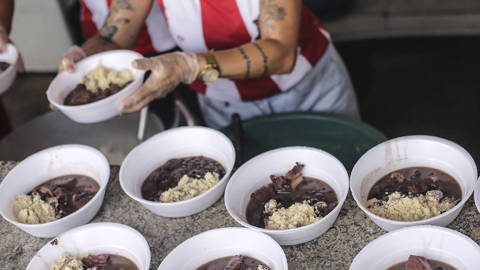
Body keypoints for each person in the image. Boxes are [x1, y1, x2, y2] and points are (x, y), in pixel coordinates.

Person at [60, 0, 359, 129]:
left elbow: (281, 54)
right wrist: (87, 56)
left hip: (308, 92)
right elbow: (114, 35)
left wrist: (190, 66)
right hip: (224, 103)